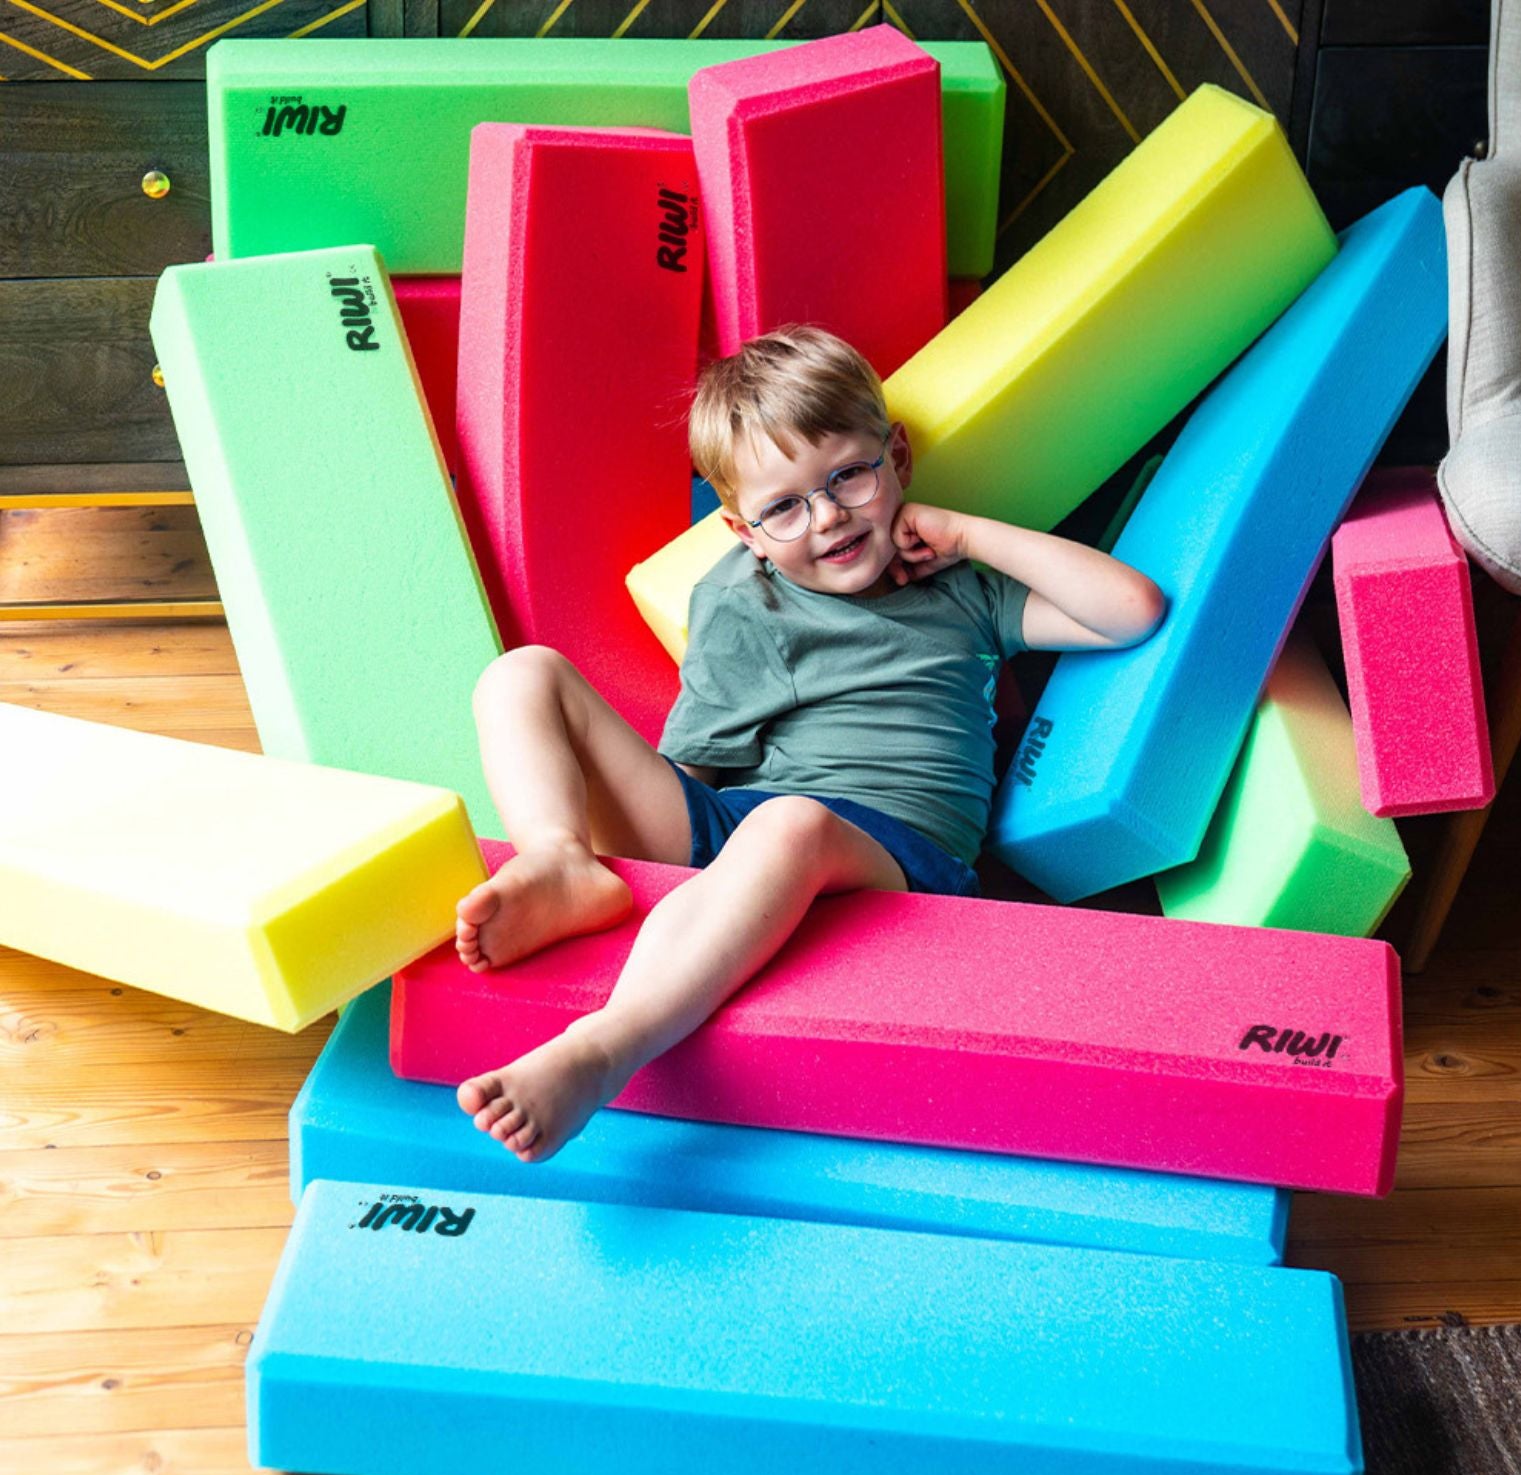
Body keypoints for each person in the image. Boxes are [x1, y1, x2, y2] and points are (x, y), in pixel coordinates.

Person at [453, 324, 1166, 1162]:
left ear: (896, 457)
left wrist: (968, 534)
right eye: (784, 507)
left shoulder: (957, 591)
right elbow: (695, 763)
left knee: (792, 824)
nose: (827, 517)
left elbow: (1131, 610)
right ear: (744, 531)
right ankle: (559, 858)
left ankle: (603, 1047)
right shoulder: (741, 602)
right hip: (745, 825)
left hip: (897, 849)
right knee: (522, 674)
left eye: (849, 476)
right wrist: (647, 829)